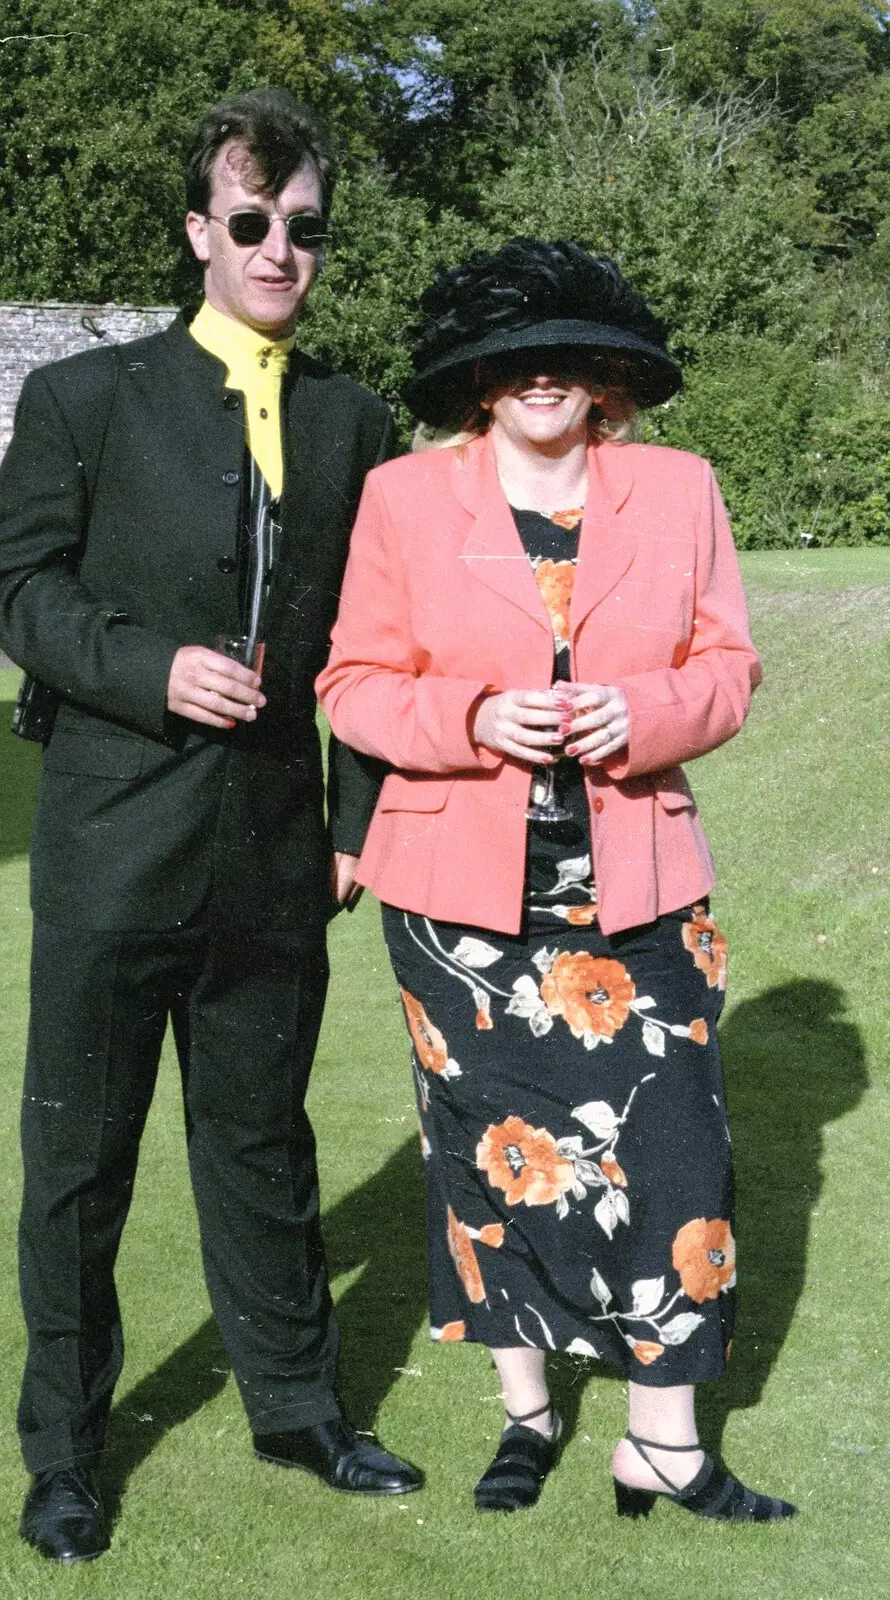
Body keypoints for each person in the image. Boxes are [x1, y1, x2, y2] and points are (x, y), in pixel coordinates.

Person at [0, 87, 421, 1566]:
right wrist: (144, 666)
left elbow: (379, 641)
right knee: (81, 1161)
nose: (276, 246)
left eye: (301, 227)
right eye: (249, 220)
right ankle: (66, 1455)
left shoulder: (358, 422)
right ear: (197, 233)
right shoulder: (84, 400)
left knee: (259, 1143)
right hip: (112, 843)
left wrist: (357, 813)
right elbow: (15, 588)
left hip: (277, 854)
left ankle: (297, 1409)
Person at [316, 238, 796, 1522]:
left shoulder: (681, 488)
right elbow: (353, 683)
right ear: (476, 379)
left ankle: (665, 1442)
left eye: (564, 354)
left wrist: (636, 710)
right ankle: (526, 1419)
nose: (538, 378)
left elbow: (730, 668)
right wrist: (477, 716)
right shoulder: (405, 499)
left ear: (605, 375)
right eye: (509, 357)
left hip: (642, 886)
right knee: (489, 1158)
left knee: (681, 1154)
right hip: (456, 904)